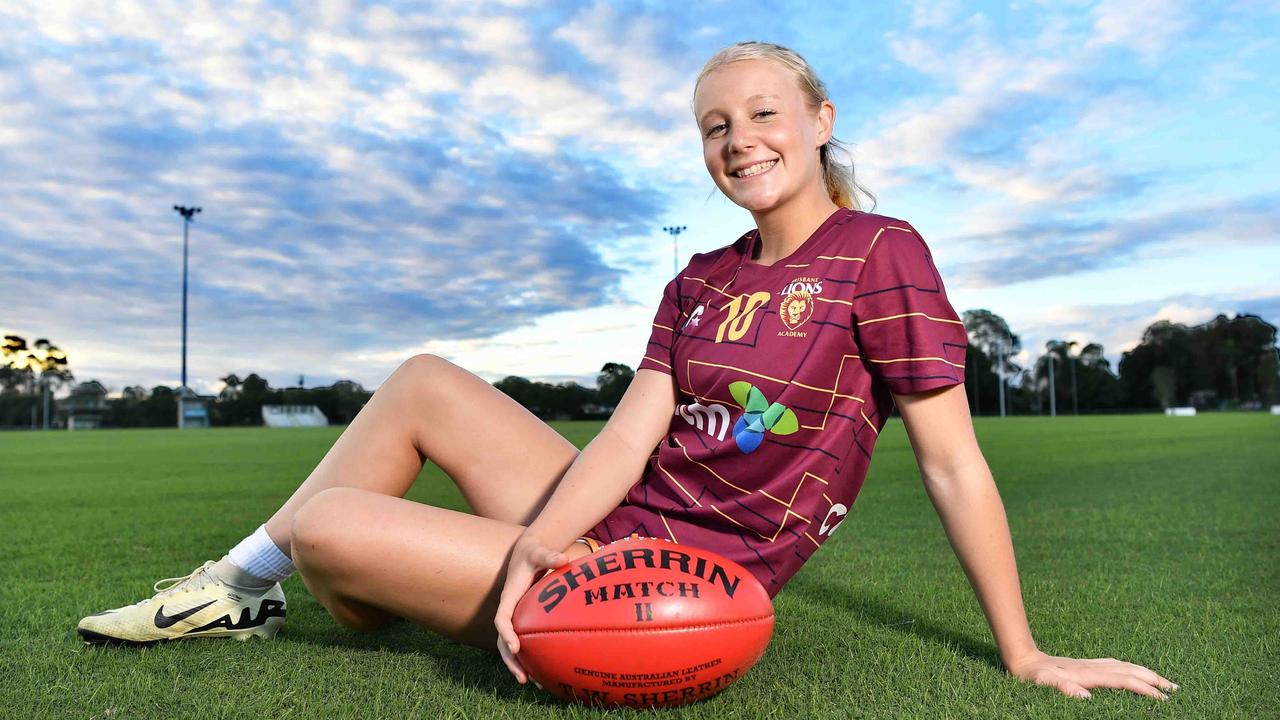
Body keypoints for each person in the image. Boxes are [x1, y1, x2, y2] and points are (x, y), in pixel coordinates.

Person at [78, 41, 1177, 702]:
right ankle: (234, 590)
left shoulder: (879, 252)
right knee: (419, 380)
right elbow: (623, 439)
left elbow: (950, 465)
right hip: (612, 521)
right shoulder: (700, 276)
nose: (737, 142)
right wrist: (541, 542)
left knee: (331, 531)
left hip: (682, 580)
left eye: (759, 115)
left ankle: (345, 577)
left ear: (818, 122)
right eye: (713, 127)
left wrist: (1024, 654)